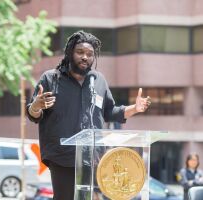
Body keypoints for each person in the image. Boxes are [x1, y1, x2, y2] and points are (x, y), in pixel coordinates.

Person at [26, 30, 151, 200]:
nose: (85, 57)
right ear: (70, 52)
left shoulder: (98, 80)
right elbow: (34, 115)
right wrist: (35, 106)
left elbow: (110, 112)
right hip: (63, 156)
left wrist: (135, 108)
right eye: (80, 52)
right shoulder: (50, 79)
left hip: (94, 157)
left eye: (90, 54)